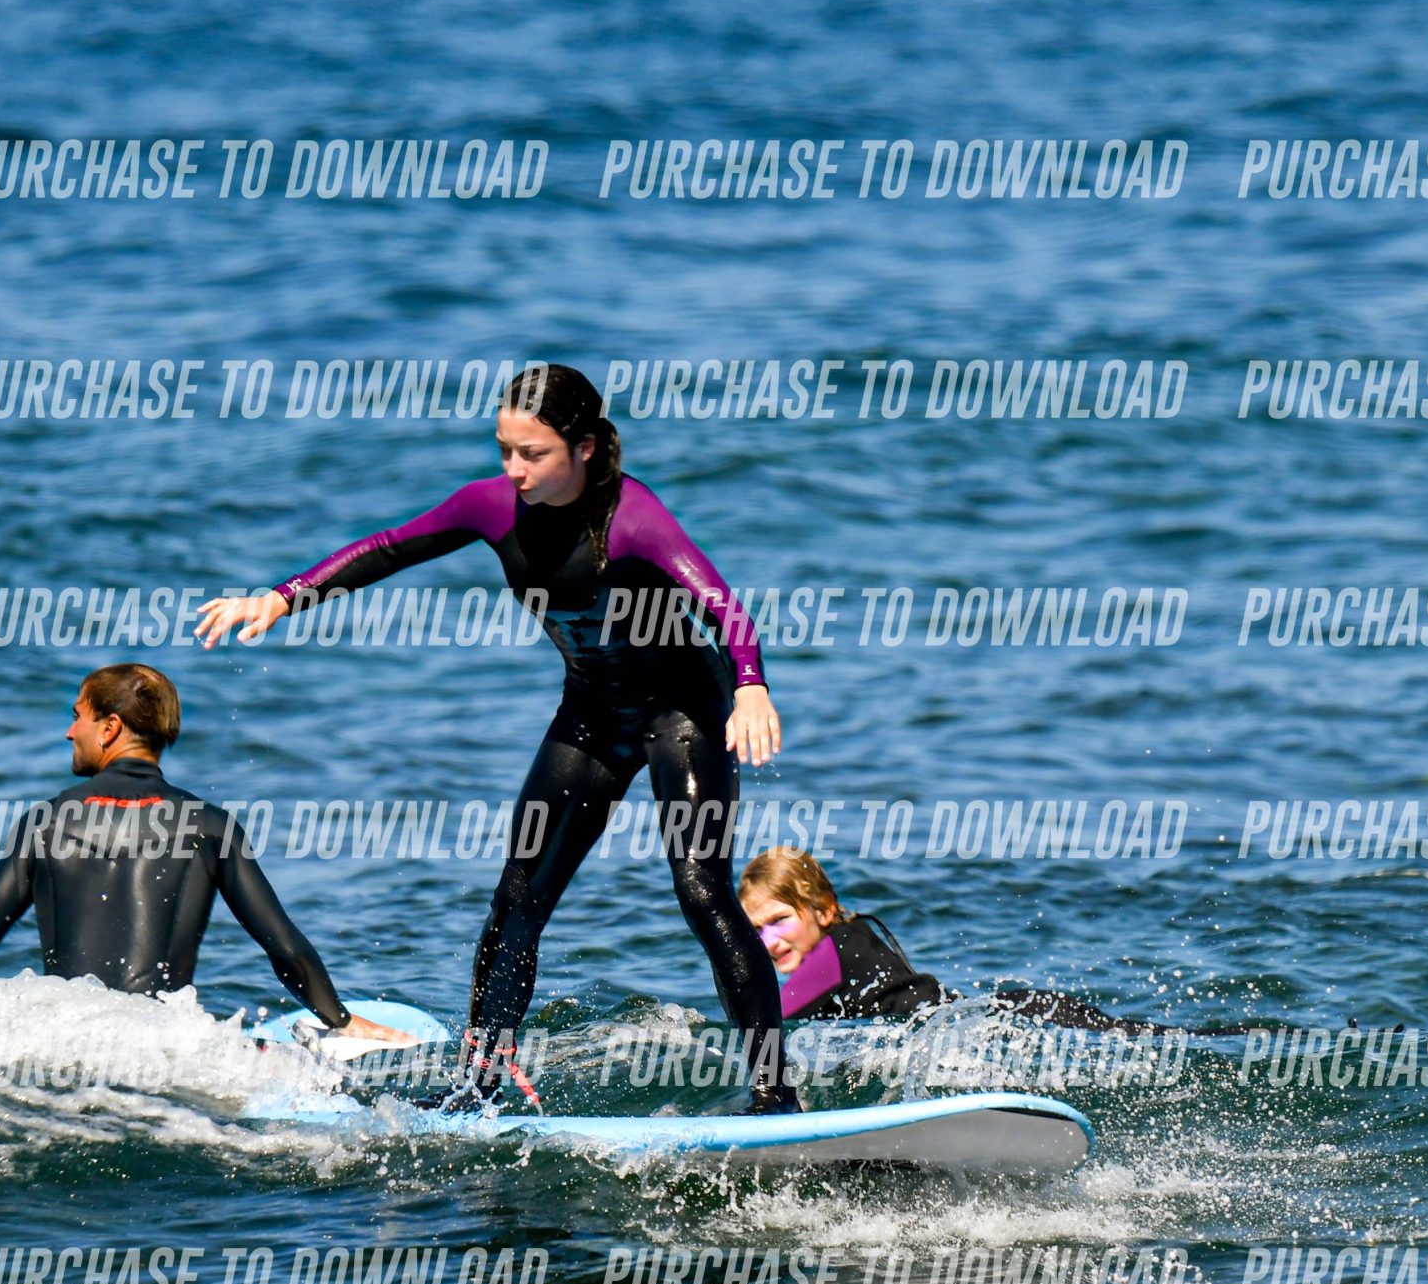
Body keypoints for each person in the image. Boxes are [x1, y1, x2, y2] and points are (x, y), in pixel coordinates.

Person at [194, 363, 799, 1112]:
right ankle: (478, 1087)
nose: (513, 469)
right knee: (517, 896)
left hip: (682, 713)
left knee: (701, 889)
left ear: (583, 448)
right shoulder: (491, 506)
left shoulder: (633, 517)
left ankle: (774, 1092)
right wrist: (284, 597)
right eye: (504, 449)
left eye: (532, 453)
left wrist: (750, 685)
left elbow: (724, 608)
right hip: (592, 713)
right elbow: (391, 547)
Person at [0, 664, 407, 1043]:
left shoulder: (45, 822)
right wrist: (341, 1020)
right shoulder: (209, 826)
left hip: (65, 1043)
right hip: (160, 1047)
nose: (70, 732)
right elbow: (284, 947)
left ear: (109, 727)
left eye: (77, 716)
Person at [739, 847, 1154, 1034]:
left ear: (825, 911)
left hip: (1012, 1021)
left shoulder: (837, 949)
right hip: (1001, 1017)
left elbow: (772, 1022)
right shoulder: (844, 948)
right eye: (755, 930)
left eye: (779, 920)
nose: (768, 941)